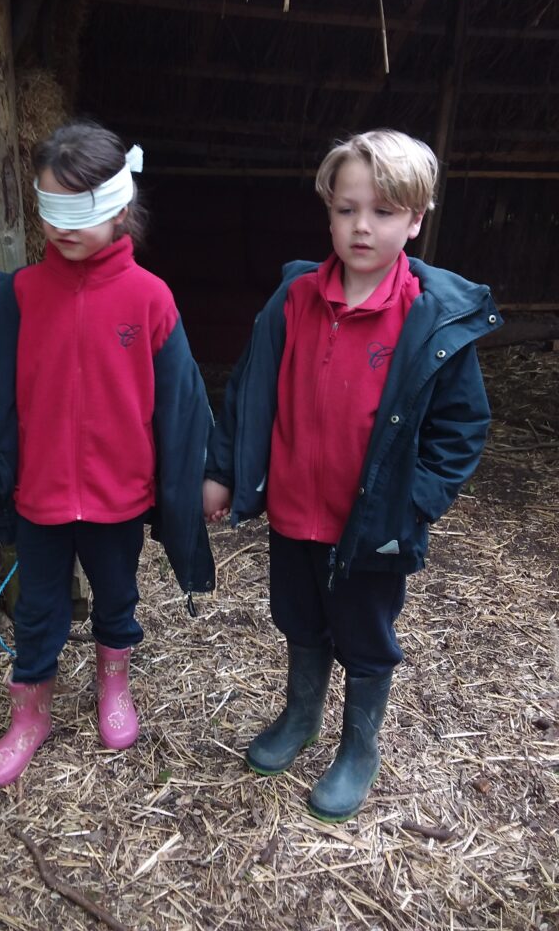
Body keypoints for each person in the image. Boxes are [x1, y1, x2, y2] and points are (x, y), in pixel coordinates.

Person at [203, 129, 502, 822]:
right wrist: (225, 472)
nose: (362, 226)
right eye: (346, 209)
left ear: (416, 219)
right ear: (328, 212)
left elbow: (463, 429)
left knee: (364, 634)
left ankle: (358, 749)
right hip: (294, 512)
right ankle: (300, 716)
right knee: (300, 618)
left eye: (384, 212)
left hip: (372, 528)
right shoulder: (294, 299)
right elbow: (248, 394)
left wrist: (416, 502)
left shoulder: (434, 321)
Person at [0, 120, 215, 787]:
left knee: (116, 596)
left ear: (121, 209)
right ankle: (30, 714)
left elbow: (183, 407)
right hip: (39, 496)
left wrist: (203, 483)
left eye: (82, 209)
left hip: (119, 496)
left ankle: (114, 687)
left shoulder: (150, 299)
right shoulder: (16, 298)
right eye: (53, 208)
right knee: (39, 606)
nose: (64, 226)